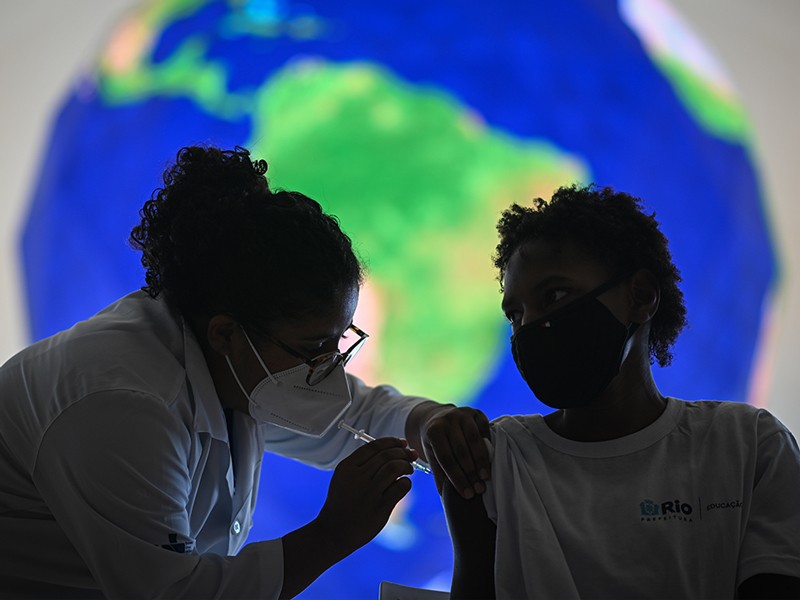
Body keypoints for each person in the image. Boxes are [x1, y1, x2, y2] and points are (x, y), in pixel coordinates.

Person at [0, 145, 491, 599]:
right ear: (226, 334)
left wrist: (428, 423)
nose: (328, 369)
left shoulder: (238, 364)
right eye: (311, 348)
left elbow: (353, 416)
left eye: (338, 343)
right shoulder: (122, 401)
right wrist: (333, 533)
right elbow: (173, 595)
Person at [442, 184, 800, 599]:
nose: (529, 329)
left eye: (555, 295)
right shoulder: (491, 462)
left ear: (641, 296)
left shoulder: (748, 445)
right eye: (515, 315)